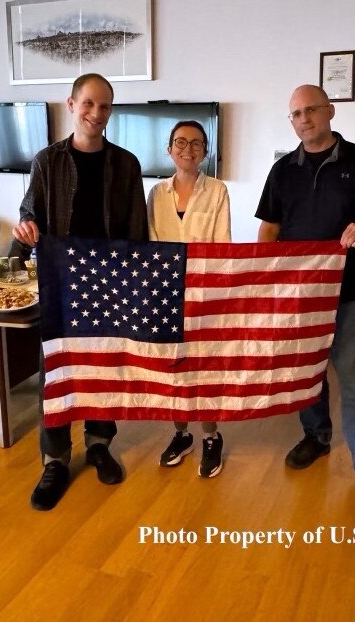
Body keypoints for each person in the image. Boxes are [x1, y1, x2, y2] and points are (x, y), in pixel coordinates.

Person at [256, 84, 355, 510]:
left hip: (349, 291)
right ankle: (316, 437)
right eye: (296, 113)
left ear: (330, 111)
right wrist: (265, 277)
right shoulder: (283, 170)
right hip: (298, 292)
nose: (304, 119)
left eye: (311, 110)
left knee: (352, 375)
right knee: (307, 371)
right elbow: (269, 228)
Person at [13, 73, 148, 511]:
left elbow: (136, 230)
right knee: (56, 371)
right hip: (60, 280)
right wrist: (25, 228)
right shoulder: (46, 161)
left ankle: (99, 443)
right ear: (71, 104)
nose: (96, 113)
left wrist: (135, 283)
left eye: (105, 106)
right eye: (88, 104)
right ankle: (55, 459)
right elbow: (29, 211)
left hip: (109, 280)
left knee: (102, 366)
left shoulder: (126, 164)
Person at [147, 120, 231, 478]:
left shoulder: (218, 191)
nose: (188, 149)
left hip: (204, 292)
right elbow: (150, 245)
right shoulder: (155, 193)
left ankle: (211, 436)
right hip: (164, 293)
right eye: (180, 142)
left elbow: (222, 244)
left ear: (205, 152)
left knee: (204, 368)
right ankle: (180, 434)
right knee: (174, 366)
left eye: (196, 143)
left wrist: (203, 285)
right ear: (169, 149)